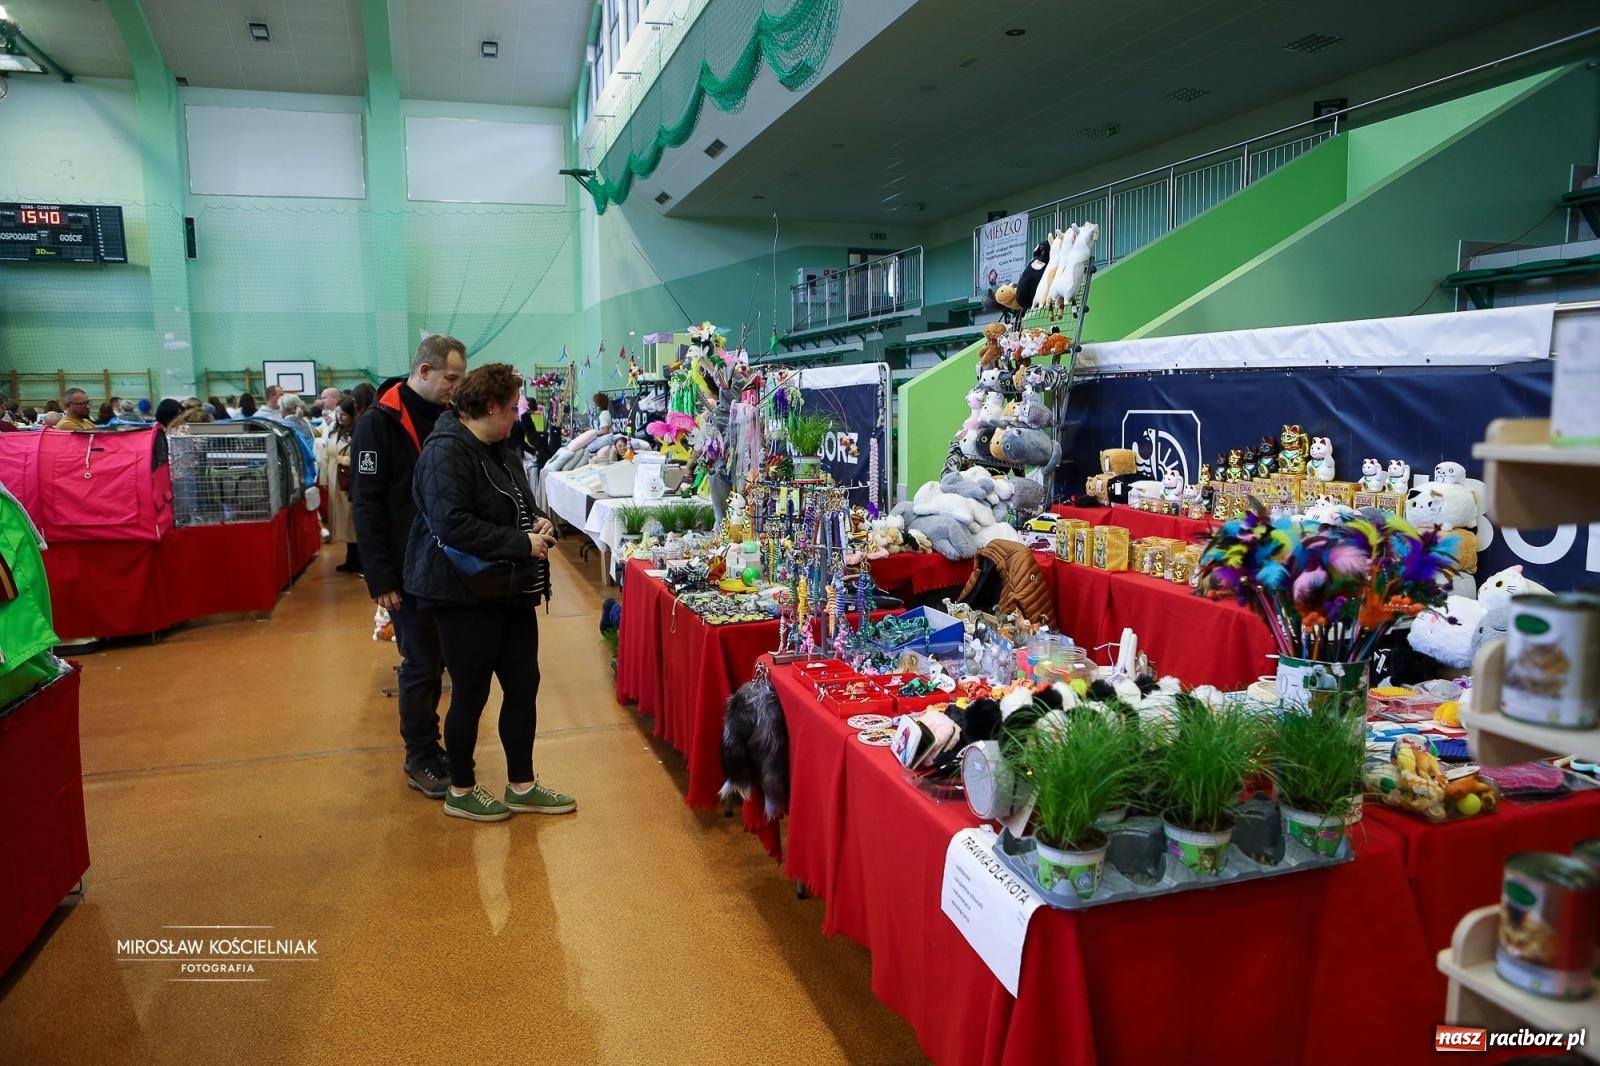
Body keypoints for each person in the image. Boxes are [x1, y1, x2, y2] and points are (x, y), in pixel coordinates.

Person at [406, 363, 570, 822]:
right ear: (491, 407)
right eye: (513, 407)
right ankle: (461, 787)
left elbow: (517, 499)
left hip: (510, 588)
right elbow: (451, 524)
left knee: (523, 685)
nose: (518, 416)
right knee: (471, 693)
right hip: (461, 595)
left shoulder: (499, 445)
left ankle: (522, 783)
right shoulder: (445, 453)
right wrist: (522, 542)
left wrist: (537, 520)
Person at [353, 334, 467, 798]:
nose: (456, 388)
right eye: (451, 378)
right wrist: (380, 577)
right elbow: (367, 504)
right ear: (424, 371)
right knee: (420, 666)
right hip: (403, 571)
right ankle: (419, 756)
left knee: (445, 661)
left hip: (447, 567)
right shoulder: (378, 424)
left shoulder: (448, 417)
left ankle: (438, 749)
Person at [321, 397, 360, 572]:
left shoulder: (357, 432)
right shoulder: (333, 431)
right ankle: (350, 558)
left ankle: (357, 559)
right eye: (337, 413)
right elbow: (326, 456)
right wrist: (323, 480)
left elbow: (360, 458)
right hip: (334, 480)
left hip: (347, 482)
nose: (339, 417)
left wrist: (343, 459)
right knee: (342, 522)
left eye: (343, 414)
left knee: (351, 522)